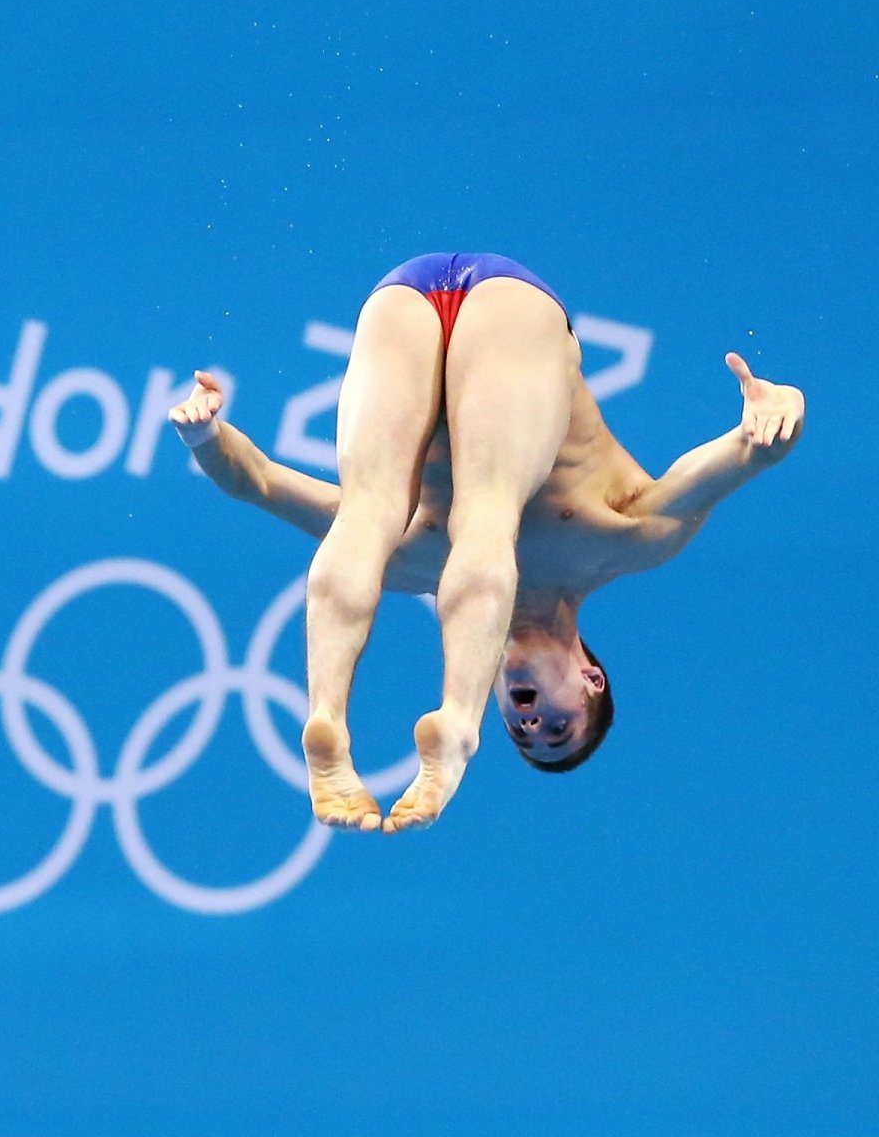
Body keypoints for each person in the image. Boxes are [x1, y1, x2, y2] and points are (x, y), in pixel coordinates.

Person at [168, 253, 804, 834]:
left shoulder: (415, 563)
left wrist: (205, 438)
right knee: (487, 511)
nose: (532, 724)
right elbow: (743, 455)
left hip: (404, 299)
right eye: (557, 725)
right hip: (511, 309)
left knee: (367, 514)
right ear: (591, 678)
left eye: (521, 734)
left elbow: (259, 483)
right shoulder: (628, 541)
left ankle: (326, 717)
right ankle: (456, 726)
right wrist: (780, 415)